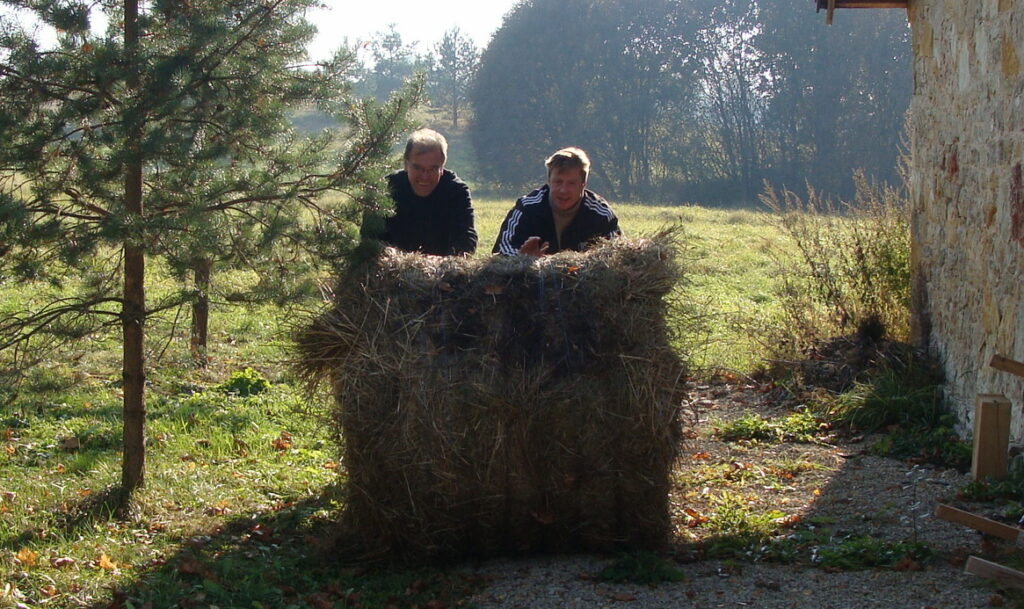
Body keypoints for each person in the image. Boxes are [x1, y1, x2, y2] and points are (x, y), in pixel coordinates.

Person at [492, 147, 620, 256]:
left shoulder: (601, 215)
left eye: (571, 183)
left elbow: (618, 257)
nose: (563, 190)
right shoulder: (527, 208)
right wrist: (523, 259)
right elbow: (501, 251)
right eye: (558, 182)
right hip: (532, 283)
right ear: (549, 181)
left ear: (583, 184)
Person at [373, 128, 478, 256]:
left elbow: (466, 239)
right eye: (418, 168)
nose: (425, 176)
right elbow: (371, 239)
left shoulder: (456, 192)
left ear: (442, 168)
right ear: (406, 165)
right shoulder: (385, 190)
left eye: (433, 169)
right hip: (391, 269)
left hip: (442, 271)